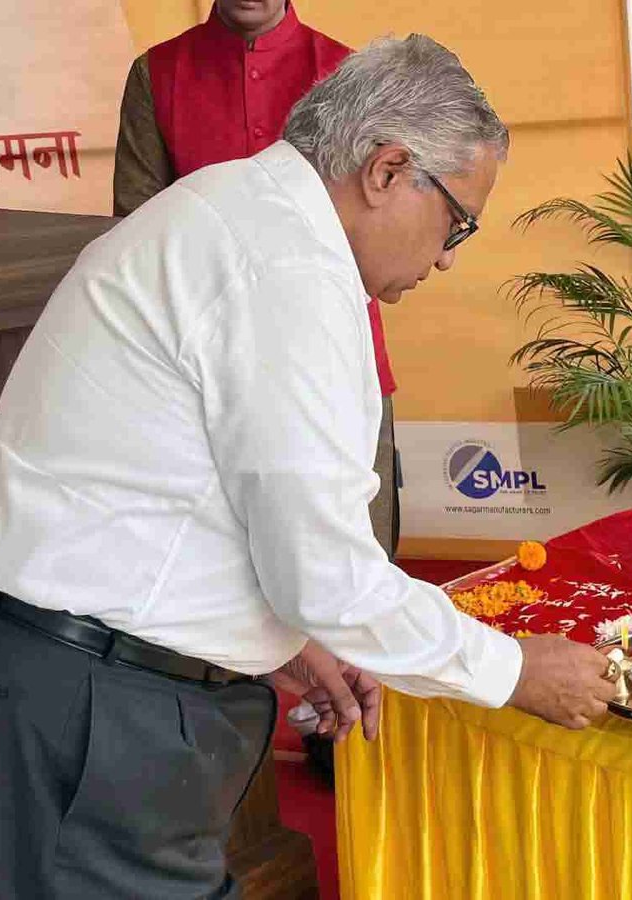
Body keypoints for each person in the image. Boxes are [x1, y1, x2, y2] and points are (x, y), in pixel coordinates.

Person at [0, 36, 617, 899]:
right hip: (89, 723)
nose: (447, 258)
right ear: (388, 170)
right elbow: (327, 575)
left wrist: (281, 637)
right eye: (457, 222)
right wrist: (514, 671)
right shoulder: (285, 268)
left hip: (57, 695)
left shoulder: (234, 211)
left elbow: (191, 493)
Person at [113, 1, 403, 566]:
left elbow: (384, 223)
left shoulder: (350, 73)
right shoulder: (157, 74)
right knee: (220, 575)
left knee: (356, 565)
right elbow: (136, 236)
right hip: (207, 376)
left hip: (338, 360)